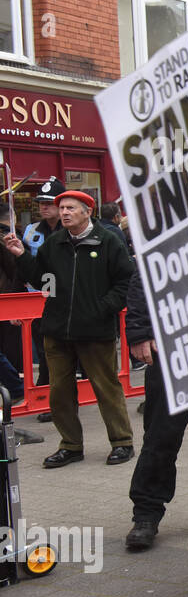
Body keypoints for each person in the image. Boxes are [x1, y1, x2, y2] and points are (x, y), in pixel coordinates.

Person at [4, 190, 134, 467]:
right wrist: (21, 255)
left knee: (106, 388)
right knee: (60, 392)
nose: (63, 212)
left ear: (88, 211)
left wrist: (101, 308)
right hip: (57, 330)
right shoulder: (55, 243)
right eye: (61, 207)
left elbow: (125, 282)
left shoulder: (109, 241)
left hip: (96, 331)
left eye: (70, 208)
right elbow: (41, 279)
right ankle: (71, 446)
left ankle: (122, 442)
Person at [122, 268, 188, 551]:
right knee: (161, 434)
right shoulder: (166, 226)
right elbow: (144, 276)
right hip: (172, 345)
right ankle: (146, 513)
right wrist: (139, 331)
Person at [22, 177, 63, 411]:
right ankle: (46, 393)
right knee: (46, 350)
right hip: (37, 300)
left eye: (49, 203)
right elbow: (23, 267)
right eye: (40, 203)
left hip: (65, 299)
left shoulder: (71, 229)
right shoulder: (30, 232)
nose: (43, 207)